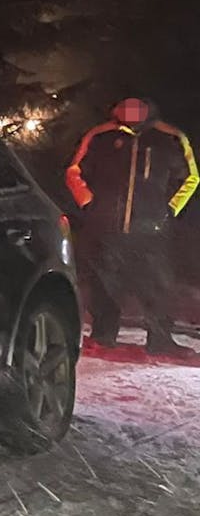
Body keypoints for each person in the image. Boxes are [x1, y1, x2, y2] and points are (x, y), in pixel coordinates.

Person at [65, 97, 199, 355]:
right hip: (106, 226)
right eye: (124, 105)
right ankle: (104, 335)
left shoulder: (169, 138)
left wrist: (169, 210)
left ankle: (160, 339)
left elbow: (191, 178)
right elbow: (74, 172)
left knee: (157, 283)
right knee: (104, 282)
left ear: (149, 107)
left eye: (137, 105)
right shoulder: (100, 136)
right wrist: (88, 203)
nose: (130, 111)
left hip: (151, 228)